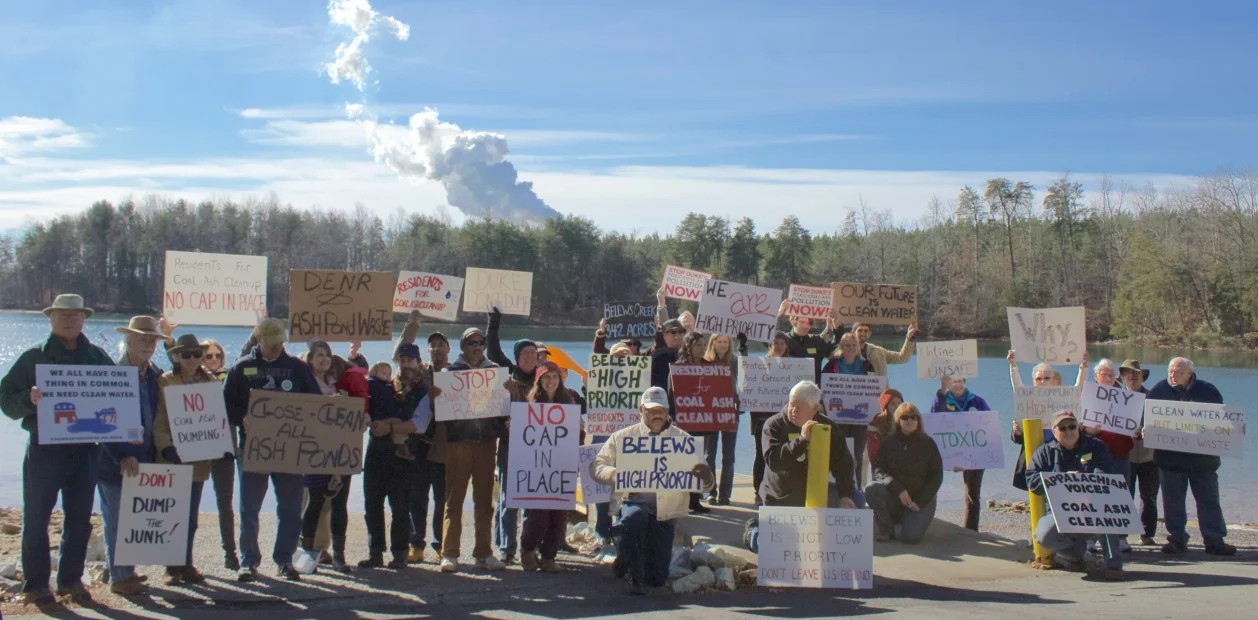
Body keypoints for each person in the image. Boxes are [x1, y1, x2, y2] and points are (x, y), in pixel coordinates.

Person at [1, 295, 114, 605]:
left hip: (86, 450)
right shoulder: (32, 357)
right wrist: (29, 398)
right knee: (36, 517)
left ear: (83, 320)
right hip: (44, 449)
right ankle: (36, 584)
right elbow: (5, 398)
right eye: (63, 314)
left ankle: (70, 579)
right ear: (51, 318)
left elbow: (120, 395)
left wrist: (128, 428)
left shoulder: (97, 356)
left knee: (79, 518)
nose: (69, 320)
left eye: (75, 315)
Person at [223, 318, 321, 582]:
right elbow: (225, 405)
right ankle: (249, 562)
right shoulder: (241, 368)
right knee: (249, 508)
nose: (277, 347)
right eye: (271, 342)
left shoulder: (297, 368)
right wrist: (242, 416)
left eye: (280, 342)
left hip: (290, 449)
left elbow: (316, 403)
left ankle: (285, 560)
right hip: (254, 449)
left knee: (289, 508)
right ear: (259, 339)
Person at [590, 387, 714, 594]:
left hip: (665, 513)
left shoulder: (684, 441)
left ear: (668, 410)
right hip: (633, 502)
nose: (657, 414)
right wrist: (615, 474)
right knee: (634, 518)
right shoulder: (622, 438)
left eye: (661, 409)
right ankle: (633, 572)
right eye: (651, 410)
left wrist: (706, 476)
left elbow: (704, 486)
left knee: (656, 579)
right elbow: (596, 466)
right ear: (641, 410)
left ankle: (625, 556)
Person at [97, 316, 167, 596]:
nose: (149, 344)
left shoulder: (155, 374)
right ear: (128, 340)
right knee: (115, 518)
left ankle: (124, 571)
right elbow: (102, 421)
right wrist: (121, 454)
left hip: (145, 459)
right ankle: (119, 577)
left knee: (133, 518)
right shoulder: (113, 373)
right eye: (142, 339)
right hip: (115, 461)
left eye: (152, 340)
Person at [435, 328, 507, 573]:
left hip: (487, 443)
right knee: (453, 500)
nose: (477, 346)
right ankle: (450, 554)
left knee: (485, 501)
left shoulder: (495, 372)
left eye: (481, 342)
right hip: (458, 443)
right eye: (472, 342)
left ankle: (484, 553)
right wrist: (437, 395)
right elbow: (439, 410)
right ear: (463, 346)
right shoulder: (450, 373)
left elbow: (505, 405)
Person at [1149, 357, 1237, 556]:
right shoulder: (1158, 390)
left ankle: (1214, 541)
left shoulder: (1208, 391)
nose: (1172, 375)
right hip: (1170, 460)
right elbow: (1146, 419)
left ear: (1189, 373)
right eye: (1170, 371)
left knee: (1209, 501)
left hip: (1203, 461)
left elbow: (1222, 422)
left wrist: (1234, 431)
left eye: (1178, 372)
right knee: (1172, 503)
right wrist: (1145, 430)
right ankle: (1177, 540)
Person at [153, 333, 222, 586]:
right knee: (173, 514)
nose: (192, 359)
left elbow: (216, 418)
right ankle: (171, 567)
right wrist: (165, 447)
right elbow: (159, 419)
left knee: (191, 517)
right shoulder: (165, 381)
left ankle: (186, 562)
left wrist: (221, 443)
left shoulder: (213, 381)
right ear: (176, 356)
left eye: (197, 354)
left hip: (200, 459)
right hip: (173, 456)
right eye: (186, 355)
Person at [1026, 411, 1123, 580]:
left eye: (1072, 426)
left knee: (1109, 516)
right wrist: (1061, 481)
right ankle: (1075, 555)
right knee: (1043, 534)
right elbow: (1032, 480)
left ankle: (1113, 566)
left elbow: (1106, 472)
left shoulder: (1096, 446)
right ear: (1054, 432)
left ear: (1079, 427)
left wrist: (1083, 482)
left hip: (1094, 507)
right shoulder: (1044, 452)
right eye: (1062, 428)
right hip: (1060, 511)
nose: (1068, 431)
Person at [359, 349, 420, 569]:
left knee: (400, 506)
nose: (405, 364)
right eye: (401, 361)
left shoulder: (423, 389)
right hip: (376, 448)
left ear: (418, 362)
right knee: (372, 504)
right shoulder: (383, 382)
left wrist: (390, 427)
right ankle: (375, 552)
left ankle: (400, 553)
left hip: (402, 450)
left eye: (409, 360)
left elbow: (418, 423)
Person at [487, 308, 537, 566]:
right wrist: (494, 323)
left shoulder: (544, 379)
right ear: (517, 357)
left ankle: (528, 546)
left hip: (537, 448)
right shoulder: (507, 373)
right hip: (509, 444)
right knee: (509, 496)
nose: (530, 357)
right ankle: (507, 547)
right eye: (525, 354)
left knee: (530, 497)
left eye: (534, 354)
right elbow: (493, 351)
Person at [760, 381, 858, 509]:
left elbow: (843, 464)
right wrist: (801, 441)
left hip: (815, 495)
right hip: (778, 498)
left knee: (857, 500)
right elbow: (774, 462)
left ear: (815, 408)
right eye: (791, 405)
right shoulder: (774, 425)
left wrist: (846, 495)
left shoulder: (828, 427)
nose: (794, 411)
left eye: (799, 407)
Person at [519, 361, 577, 573]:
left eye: (554, 377)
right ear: (539, 381)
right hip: (538, 469)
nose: (550, 382)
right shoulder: (531, 406)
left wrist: (578, 426)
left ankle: (549, 556)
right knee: (538, 515)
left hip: (561, 467)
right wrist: (514, 425)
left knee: (559, 515)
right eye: (546, 378)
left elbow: (574, 437)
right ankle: (527, 550)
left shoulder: (568, 403)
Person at [866, 402, 943, 543]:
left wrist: (920, 501)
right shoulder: (889, 442)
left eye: (914, 417)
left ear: (918, 420)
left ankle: (911, 518)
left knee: (910, 538)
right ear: (898, 421)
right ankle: (886, 530)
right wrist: (897, 488)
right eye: (905, 417)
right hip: (896, 496)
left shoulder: (928, 443)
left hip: (920, 500)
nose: (909, 421)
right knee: (872, 489)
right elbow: (878, 469)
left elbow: (937, 476)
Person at [1084, 359, 1136, 552]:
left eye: (1110, 374)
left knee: (1121, 495)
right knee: (1091, 495)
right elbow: (1078, 422)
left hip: (1120, 453)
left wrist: (1136, 429)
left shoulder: (1127, 396)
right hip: (1092, 454)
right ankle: (1090, 538)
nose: (1107, 377)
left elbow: (1134, 423)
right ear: (1096, 376)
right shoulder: (1087, 394)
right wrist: (1087, 430)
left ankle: (1120, 537)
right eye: (1103, 374)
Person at [930, 376, 991, 531]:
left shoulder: (977, 401)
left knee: (973, 493)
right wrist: (942, 391)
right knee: (931, 484)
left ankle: (971, 530)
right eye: (953, 382)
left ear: (965, 383)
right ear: (949, 384)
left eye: (960, 381)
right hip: (949, 453)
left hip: (974, 454)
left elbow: (989, 424)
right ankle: (925, 520)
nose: (957, 384)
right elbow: (934, 417)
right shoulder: (943, 400)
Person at [199, 337, 240, 569]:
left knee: (225, 504)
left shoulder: (230, 378)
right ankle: (182, 559)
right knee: (189, 504)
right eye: (208, 356)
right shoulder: (190, 380)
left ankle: (230, 552)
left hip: (224, 450)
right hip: (195, 449)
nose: (213, 360)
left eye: (218, 356)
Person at [819, 332, 875, 488]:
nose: (850, 348)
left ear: (858, 347)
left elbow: (874, 389)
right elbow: (822, 388)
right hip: (837, 418)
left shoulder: (867, 365)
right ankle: (837, 489)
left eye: (853, 345)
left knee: (857, 455)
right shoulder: (832, 364)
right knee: (839, 452)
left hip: (860, 419)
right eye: (847, 345)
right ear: (841, 347)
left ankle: (856, 489)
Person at [670, 330, 713, 514]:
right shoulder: (678, 367)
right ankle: (681, 500)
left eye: (704, 345)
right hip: (682, 422)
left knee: (698, 461)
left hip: (702, 421)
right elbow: (671, 395)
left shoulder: (710, 367)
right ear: (689, 346)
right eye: (698, 345)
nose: (702, 349)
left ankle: (694, 500)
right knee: (682, 463)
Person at [749, 332, 791, 506]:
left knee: (784, 455)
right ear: (770, 346)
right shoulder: (759, 365)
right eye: (776, 343)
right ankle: (758, 492)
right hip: (762, 420)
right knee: (761, 456)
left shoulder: (794, 366)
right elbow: (750, 389)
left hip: (786, 420)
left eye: (782, 343)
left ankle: (781, 490)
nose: (779, 346)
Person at [702, 333, 743, 506]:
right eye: (719, 341)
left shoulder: (734, 361)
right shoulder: (705, 362)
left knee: (729, 456)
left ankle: (725, 494)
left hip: (729, 411)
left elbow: (746, 377)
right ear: (713, 343)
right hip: (710, 412)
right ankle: (710, 492)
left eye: (726, 342)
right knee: (709, 455)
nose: (723, 345)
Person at [1121, 359, 1159, 546]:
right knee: (1124, 493)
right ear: (1122, 378)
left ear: (1142, 377)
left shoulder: (1154, 398)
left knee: (1149, 496)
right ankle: (1123, 534)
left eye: (1136, 374)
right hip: (1124, 455)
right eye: (1128, 374)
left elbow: (1163, 424)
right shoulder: (1114, 398)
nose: (1132, 378)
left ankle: (1147, 533)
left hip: (1150, 455)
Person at [774, 301, 836, 382]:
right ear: (793, 321)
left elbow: (836, 350)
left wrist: (835, 324)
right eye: (802, 322)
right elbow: (767, 337)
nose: (806, 326)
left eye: (809, 323)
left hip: (812, 390)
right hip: (787, 389)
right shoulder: (784, 340)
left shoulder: (816, 341)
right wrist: (780, 313)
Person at [852, 322, 917, 378]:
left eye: (866, 331)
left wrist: (909, 338)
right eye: (860, 330)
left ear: (869, 334)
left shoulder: (879, 352)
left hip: (878, 391)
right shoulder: (844, 353)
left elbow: (903, 357)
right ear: (853, 333)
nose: (863, 333)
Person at [866, 388, 903, 467]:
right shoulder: (875, 424)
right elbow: (873, 453)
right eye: (893, 403)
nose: (897, 406)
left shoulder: (907, 422)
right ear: (886, 406)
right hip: (883, 471)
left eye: (899, 403)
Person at [649, 319, 686, 389]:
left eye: (681, 332)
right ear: (664, 335)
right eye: (673, 332)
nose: (678, 335)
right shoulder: (657, 356)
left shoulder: (689, 354)